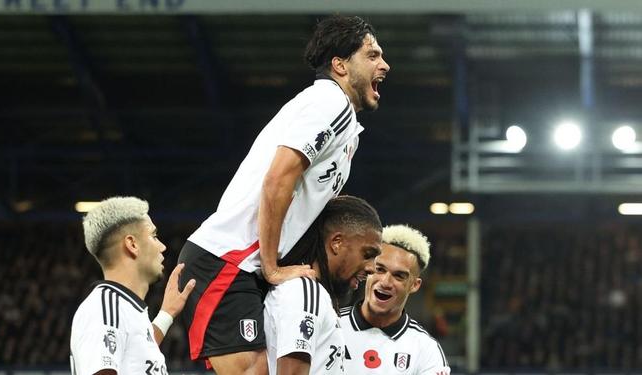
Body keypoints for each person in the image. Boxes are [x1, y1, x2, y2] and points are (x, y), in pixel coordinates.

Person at [177, 15, 390, 374]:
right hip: (228, 260)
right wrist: (273, 268)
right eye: (371, 55)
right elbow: (277, 180)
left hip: (242, 267)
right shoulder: (329, 103)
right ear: (339, 65)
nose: (384, 64)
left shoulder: (344, 125)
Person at [70, 197, 196, 375]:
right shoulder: (104, 308)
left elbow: (137, 351)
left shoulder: (121, 308)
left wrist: (167, 314)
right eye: (153, 236)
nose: (163, 247)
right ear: (132, 244)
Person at [263, 195, 382, 375]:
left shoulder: (318, 297)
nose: (372, 268)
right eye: (367, 254)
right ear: (337, 243)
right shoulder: (305, 293)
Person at [340, 225, 451, 375]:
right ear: (368, 269)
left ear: (414, 285)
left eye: (399, 275)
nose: (385, 282)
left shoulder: (426, 350)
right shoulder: (331, 324)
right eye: (380, 269)